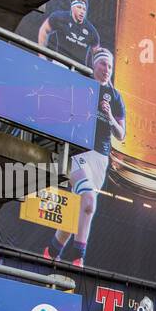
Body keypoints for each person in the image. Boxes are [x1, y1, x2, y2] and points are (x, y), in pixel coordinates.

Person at [45, 48, 125, 266]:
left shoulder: (116, 98)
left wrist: (108, 115)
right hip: (78, 151)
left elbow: (121, 134)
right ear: (95, 66)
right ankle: (78, 257)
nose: (107, 69)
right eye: (103, 64)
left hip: (101, 157)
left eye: (110, 66)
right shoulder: (83, 83)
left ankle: (51, 252)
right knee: (89, 201)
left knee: (80, 210)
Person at [37, 0, 100, 67]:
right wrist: (42, 55)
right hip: (60, 63)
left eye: (84, 9)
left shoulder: (91, 30)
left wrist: (92, 73)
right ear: (72, 7)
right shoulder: (60, 17)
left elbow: (96, 52)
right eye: (79, 7)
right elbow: (44, 30)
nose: (82, 11)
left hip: (79, 69)